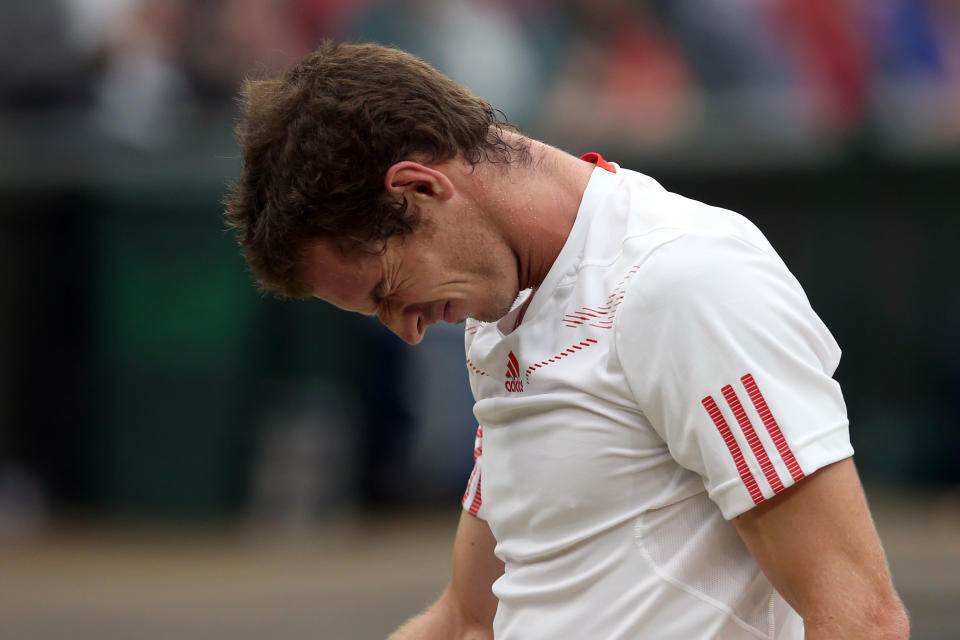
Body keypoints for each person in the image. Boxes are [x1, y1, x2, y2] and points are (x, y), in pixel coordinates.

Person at [224, 41, 909, 640]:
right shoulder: (498, 314)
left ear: (420, 190)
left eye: (385, 291)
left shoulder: (682, 283)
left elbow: (859, 617)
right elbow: (470, 620)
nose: (405, 328)